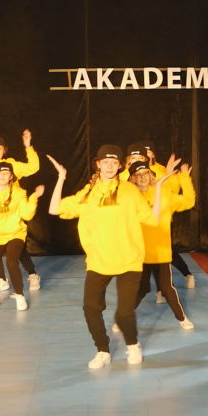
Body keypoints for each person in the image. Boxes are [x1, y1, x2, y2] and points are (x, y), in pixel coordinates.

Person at [47, 145, 166, 369]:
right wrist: (61, 177)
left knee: (124, 314)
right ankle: (102, 350)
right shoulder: (88, 192)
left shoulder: (130, 191)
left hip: (129, 260)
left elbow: (152, 219)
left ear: (120, 166)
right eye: (105, 162)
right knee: (90, 307)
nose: (109, 166)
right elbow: (55, 209)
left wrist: (158, 189)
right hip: (98, 261)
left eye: (114, 162)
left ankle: (133, 345)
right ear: (98, 164)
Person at [115, 158, 195, 330]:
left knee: (167, 288)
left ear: (151, 175)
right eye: (138, 174)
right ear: (132, 178)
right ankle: (120, 319)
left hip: (161, 252)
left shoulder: (164, 193)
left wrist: (184, 179)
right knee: (142, 289)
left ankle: (182, 319)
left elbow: (188, 201)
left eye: (146, 173)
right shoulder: (129, 198)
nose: (143, 177)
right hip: (140, 253)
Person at [0, 130, 41, 293]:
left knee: (17, 248)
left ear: (4, 151)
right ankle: (1, 279)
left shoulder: (12, 165)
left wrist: (28, 147)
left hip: (13, 213)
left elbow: (33, 167)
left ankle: (32, 274)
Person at [0, 162, 44, 311]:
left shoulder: (19, 193)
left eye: (6, 174)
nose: (3, 176)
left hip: (15, 233)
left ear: (11, 177)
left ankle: (20, 295)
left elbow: (27, 214)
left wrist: (34, 197)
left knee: (11, 262)